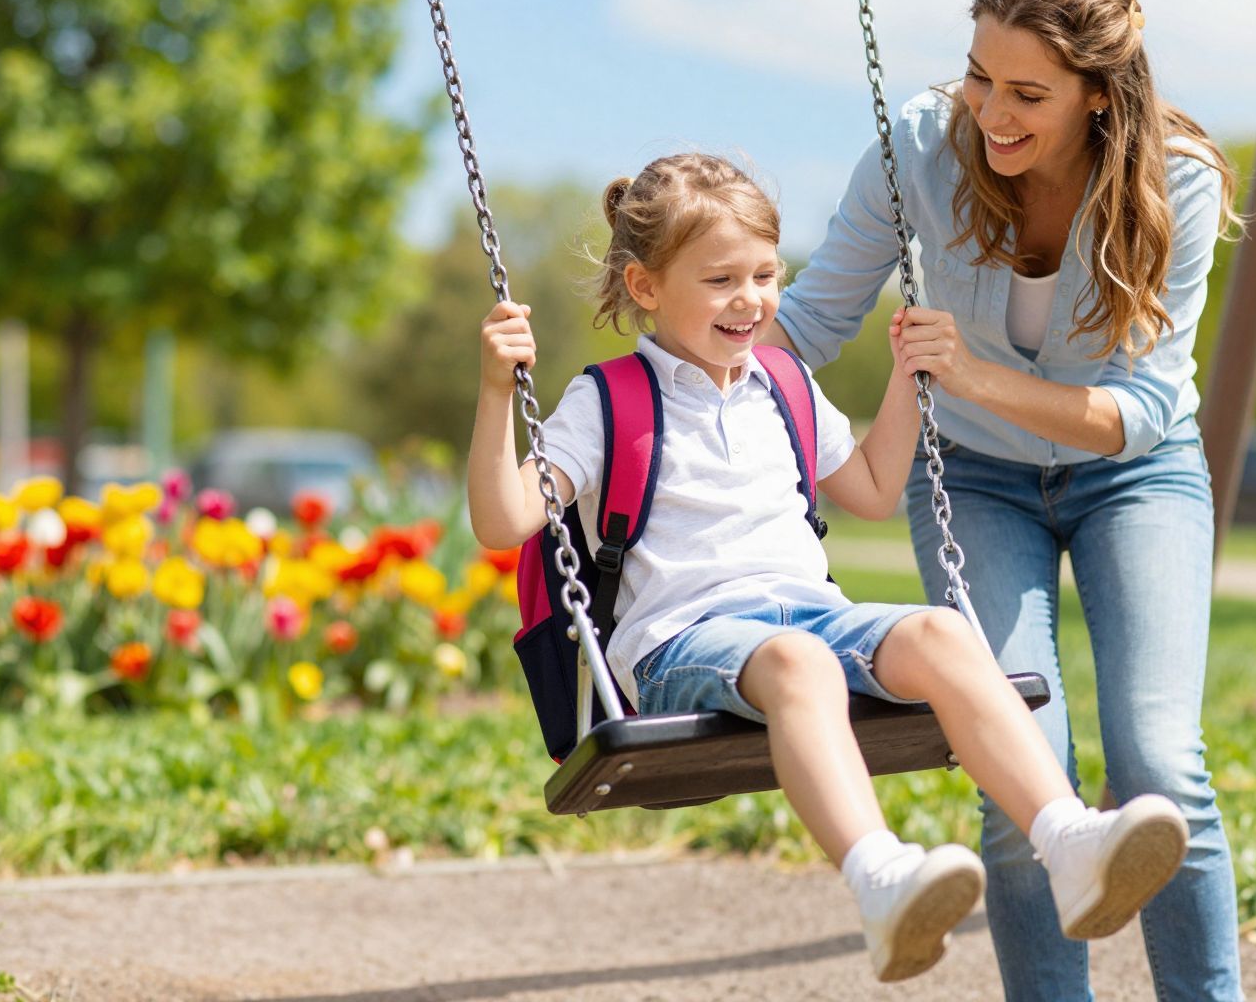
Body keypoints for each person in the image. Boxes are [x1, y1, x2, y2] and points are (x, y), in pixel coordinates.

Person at [465, 152, 1187, 985]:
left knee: (942, 632)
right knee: (798, 663)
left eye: (765, 274)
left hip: (811, 612)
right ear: (645, 286)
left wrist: (909, 378)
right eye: (720, 280)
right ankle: (881, 880)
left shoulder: (785, 383)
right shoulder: (607, 401)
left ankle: (1069, 841)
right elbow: (503, 521)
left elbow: (874, 489)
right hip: (680, 643)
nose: (750, 299)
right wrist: (496, 392)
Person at [763, 0, 1246, 1001]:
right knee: (1022, 768)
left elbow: (1139, 413)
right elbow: (810, 321)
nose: (991, 112)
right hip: (974, 479)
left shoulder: (1177, 178)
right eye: (981, 77)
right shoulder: (922, 147)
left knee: (1159, 762)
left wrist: (970, 376)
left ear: (1099, 93)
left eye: (1029, 94)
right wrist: (661, 383)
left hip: (1136, 477)